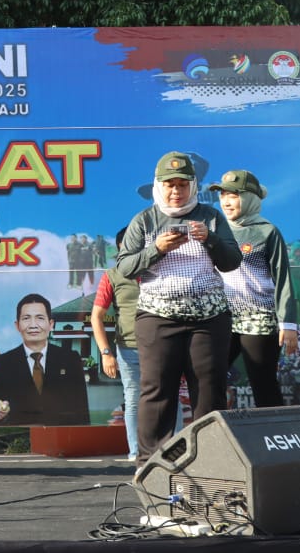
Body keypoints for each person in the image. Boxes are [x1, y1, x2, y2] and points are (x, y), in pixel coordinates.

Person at [116, 151, 242, 463]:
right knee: (157, 391)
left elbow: (233, 261)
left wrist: (210, 240)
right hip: (157, 319)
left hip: (208, 320)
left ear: (193, 185)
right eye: (170, 185)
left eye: (183, 184)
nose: (176, 191)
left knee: (209, 391)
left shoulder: (210, 217)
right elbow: (125, 268)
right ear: (158, 186)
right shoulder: (144, 220)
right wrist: (155, 249)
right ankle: (153, 464)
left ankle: (210, 460)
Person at [209, 170, 298, 408]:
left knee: (263, 382)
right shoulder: (214, 228)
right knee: (209, 379)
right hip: (221, 316)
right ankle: (215, 435)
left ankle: (275, 439)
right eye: (223, 195)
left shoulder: (266, 231)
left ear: (249, 198)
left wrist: (287, 323)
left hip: (259, 317)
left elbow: (282, 277)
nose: (226, 201)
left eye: (234, 195)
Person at [0, 294, 90, 426]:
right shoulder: (2, 364)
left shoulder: (70, 359)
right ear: (17, 326)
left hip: (62, 438)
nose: (33, 325)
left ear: (51, 324)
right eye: (26, 318)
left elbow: (82, 411)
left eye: (40, 318)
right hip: (20, 439)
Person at [89, 230, 140, 460]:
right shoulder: (112, 275)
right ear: (119, 248)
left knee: (171, 400)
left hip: (161, 347)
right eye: (126, 245)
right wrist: (106, 353)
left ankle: (176, 453)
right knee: (133, 399)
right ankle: (137, 454)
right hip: (128, 348)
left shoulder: (160, 270)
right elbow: (96, 316)